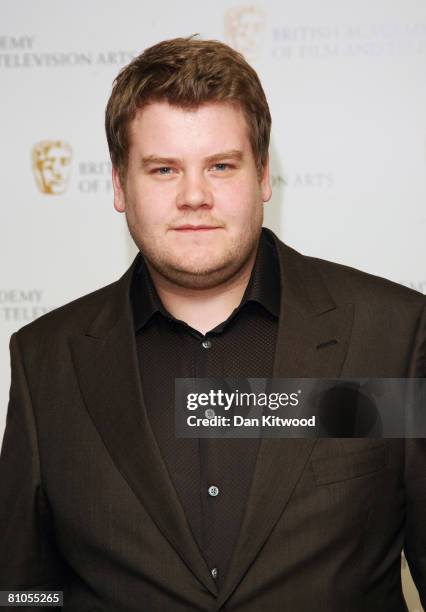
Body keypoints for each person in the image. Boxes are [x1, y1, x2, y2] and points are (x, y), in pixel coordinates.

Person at [0, 35, 425, 612]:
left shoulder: (393, 336)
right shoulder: (44, 360)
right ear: (121, 185)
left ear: (263, 177)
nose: (194, 196)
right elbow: (22, 591)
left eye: (221, 166)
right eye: (163, 169)